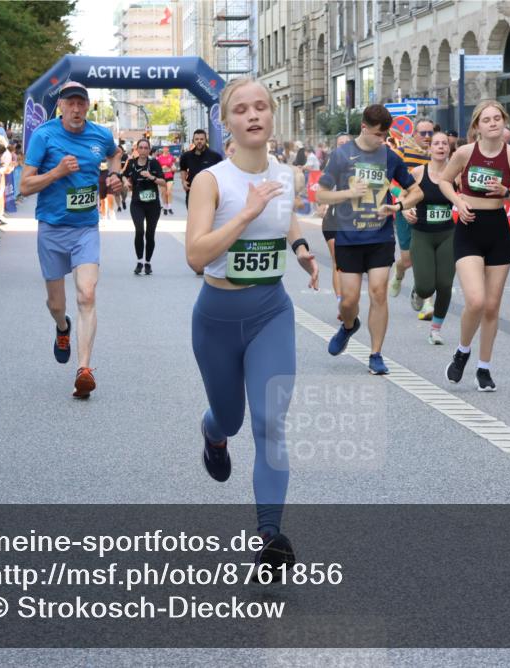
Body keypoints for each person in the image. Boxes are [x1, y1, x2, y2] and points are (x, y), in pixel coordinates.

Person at [185, 76, 318, 573]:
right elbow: (196, 255)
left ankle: (270, 537)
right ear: (227, 123)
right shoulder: (211, 181)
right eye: (242, 109)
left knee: (268, 421)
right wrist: (244, 215)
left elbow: (284, 221)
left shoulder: (286, 175)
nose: (254, 114)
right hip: (216, 319)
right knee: (232, 418)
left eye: (262, 106)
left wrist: (301, 251)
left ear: (272, 115)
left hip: (270, 313)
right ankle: (212, 433)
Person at [19, 81, 124, 399]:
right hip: (51, 228)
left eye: (81, 103)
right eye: (70, 104)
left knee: (87, 294)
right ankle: (62, 328)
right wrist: (56, 173)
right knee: (57, 304)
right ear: (60, 107)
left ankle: (84, 370)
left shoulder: (100, 135)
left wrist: (116, 175)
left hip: (85, 229)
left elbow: (115, 153)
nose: (76, 109)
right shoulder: (44, 136)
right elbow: (24, 186)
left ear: (88, 106)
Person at [316, 104, 422, 375]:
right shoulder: (341, 155)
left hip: (380, 236)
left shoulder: (390, 157)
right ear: (364, 128)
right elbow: (321, 195)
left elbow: (416, 192)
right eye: (378, 135)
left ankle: (376, 354)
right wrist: (347, 194)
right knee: (349, 301)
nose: (382, 140)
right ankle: (350, 325)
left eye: (385, 136)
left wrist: (397, 206)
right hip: (348, 237)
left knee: (378, 292)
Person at [437, 100, 510, 391]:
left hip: (498, 230)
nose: (492, 123)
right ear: (477, 126)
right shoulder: (465, 153)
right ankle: (462, 351)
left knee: (491, 307)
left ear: (503, 122)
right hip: (468, 227)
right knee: (475, 300)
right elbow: (444, 181)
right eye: (486, 119)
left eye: (497, 118)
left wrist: (505, 191)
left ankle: (484, 367)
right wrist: (458, 201)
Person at [390, 131, 458, 345]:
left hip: (448, 233)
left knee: (445, 284)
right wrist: (404, 210)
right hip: (422, 234)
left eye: (444, 144)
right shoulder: (419, 172)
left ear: (449, 148)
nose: (440, 147)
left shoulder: (456, 174)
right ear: (429, 149)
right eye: (436, 143)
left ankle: (435, 330)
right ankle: (418, 291)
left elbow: (465, 196)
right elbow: (402, 194)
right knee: (426, 287)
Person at [390, 117, 436, 320]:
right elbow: (388, 181)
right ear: (414, 134)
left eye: (430, 133)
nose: (427, 137)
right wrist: (402, 201)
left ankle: (426, 300)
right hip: (406, 209)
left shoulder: (437, 155)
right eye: (423, 133)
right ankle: (399, 272)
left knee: (427, 256)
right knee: (408, 260)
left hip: (426, 211)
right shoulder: (401, 153)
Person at [123, 138, 166, 275]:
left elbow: (163, 182)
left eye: (145, 148)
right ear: (137, 149)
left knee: (150, 234)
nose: (143, 150)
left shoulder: (154, 163)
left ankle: (148, 263)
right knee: (139, 230)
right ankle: (139, 261)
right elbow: (123, 175)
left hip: (153, 204)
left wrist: (150, 176)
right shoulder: (131, 163)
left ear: (149, 150)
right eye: (140, 148)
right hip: (137, 203)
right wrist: (126, 182)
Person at [320, 132, 353, 313]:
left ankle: (348, 299)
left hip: (353, 221)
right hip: (333, 220)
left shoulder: (361, 165)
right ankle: (341, 302)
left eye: (347, 142)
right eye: (341, 143)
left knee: (350, 264)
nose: (344, 145)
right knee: (338, 262)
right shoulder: (331, 167)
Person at [180, 129, 223, 210]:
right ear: (193, 140)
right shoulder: (186, 156)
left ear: (206, 140)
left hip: (210, 193)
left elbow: (221, 174)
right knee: (193, 219)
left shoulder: (215, 156)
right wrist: (183, 181)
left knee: (209, 219)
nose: (199, 141)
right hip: (192, 192)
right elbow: (183, 169)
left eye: (201, 139)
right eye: (196, 139)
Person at [156, 145, 177, 215]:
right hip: (162, 177)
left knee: (169, 192)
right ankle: (165, 207)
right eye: (164, 148)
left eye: (167, 148)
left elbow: (174, 167)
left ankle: (169, 207)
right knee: (163, 193)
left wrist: (171, 168)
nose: (165, 149)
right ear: (163, 149)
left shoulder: (171, 157)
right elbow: (157, 168)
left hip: (170, 176)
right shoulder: (159, 158)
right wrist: (162, 168)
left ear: (168, 149)